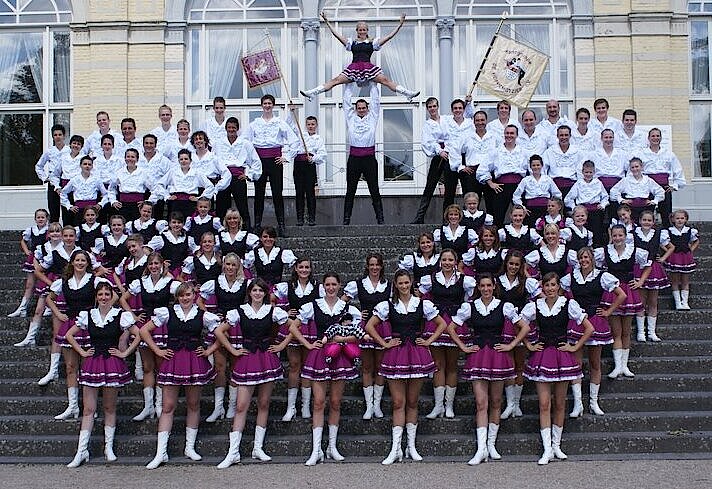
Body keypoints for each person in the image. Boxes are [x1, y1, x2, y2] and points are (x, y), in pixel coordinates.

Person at [364, 269, 447, 465]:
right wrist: (384, 344)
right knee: (398, 402)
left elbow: (442, 324)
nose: (403, 286)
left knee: (412, 401)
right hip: (396, 354)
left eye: (406, 283)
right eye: (400, 283)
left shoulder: (423, 304)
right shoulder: (387, 305)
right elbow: (369, 326)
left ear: (411, 283)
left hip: (417, 354)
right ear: (396, 284)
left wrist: (428, 341)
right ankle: (395, 449)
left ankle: (411, 446)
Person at [448, 273, 530, 464]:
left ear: (494, 286)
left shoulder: (504, 306)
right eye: (482, 286)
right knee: (481, 403)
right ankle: (481, 448)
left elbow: (524, 327)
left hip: (497, 356)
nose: (485, 289)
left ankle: (491, 444)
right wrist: (463, 347)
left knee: (495, 401)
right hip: (478, 357)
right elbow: (451, 327)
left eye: (488, 286)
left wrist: (511, 345)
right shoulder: (470, 306)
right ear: (478, 287)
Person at [141, 282, 222, 470]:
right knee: (168, 406)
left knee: (193, 404)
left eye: (188, 294)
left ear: (194, 295)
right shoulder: (167, 312)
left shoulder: (204, 315)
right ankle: (161, 452)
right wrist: (158, 351)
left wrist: (209, 350)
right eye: (182, 295)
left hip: (194, 362)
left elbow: (221, 334)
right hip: (173, 361)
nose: (185, 298)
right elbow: (144, 331)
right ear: (177, 297)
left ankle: (189, 447)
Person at [215, 278, 291, 468]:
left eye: (261, 290)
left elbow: (294, 326)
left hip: (266, 359)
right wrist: (232, 350)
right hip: (248, 359)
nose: (257, 293)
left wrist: (281, 345)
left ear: (265, 293)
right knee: (241, 405)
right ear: (249, 292)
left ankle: (258, 448)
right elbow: (218, 331)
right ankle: (233, 453)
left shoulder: (273, 311)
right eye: (254, 290)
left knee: (264, 403)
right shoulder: (239, 311)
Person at [289, 272, 362, 465]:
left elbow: (357, 335)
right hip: (320, 355)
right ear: (323, 286)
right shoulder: (313, 306)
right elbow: (293, 327)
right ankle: (316, 449)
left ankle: (332, 446)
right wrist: (307, 344)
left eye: (334, 285)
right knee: (319, 402)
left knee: (336, 402)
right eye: (328, 285)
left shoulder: (348, 309)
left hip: (340, 356)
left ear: (339, 286)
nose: (330, 288)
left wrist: (340, 339)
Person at [521, 272, 593, 465]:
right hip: (543, 356)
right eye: (547, 285)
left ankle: (556, 445)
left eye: (553, 285)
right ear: (542, 288)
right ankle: (546, 450)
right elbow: (518, 325)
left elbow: (589, 328)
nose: (550, 288)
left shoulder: (568, 304)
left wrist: (575, 346)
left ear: (558, 287)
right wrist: (528, 344)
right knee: (544, 404)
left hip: (562, 356)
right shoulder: (535, 305)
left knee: (560, 403)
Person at [65, 283, 140, 467]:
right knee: (88, 409)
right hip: (92, 362)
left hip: (112, 363)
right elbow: (68, 335)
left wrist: (125, 353)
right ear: (96, 296)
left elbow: (139, 334)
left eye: (107, 294)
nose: (104, 297)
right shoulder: (88, 315)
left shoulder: (120, 315)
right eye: (101, 294)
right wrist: (82, 353)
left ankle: (109, 447)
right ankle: (82, 451)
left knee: (109, 407)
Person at [563, 247, 626, 417]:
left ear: (592, 259)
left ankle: (593, 401)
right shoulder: (571, 277)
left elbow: (621, 295)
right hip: (577, 321)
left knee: (595, 363)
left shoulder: (602, 276)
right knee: (576, 364)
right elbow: (561, 294)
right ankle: (578, 404)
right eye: (581, 258)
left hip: (596, 321)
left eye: (587, 258)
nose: (584, 261)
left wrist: (608, 311)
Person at [46, 250, 109, 420]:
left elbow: (113, 297)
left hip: (90, 326)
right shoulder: (63, 282)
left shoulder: (95, 280)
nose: (80, 263)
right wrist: (58, 314)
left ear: (88, 263)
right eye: (77, 260)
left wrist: (99, 313)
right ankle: (73, 406)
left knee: (89, 367)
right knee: (70, 367)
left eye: (83, 260)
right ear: (72, 262)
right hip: (71, 324)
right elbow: (49, 299)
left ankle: (90, 406)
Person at [300, 13, 419, 101]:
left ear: (367, 31)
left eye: (364, 30)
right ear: (357, 31)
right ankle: (313, 93)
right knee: (335, 80)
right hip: (354, 68)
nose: (362, 32)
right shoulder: (352, 43)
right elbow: (337, 36)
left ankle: (407, 93)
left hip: (368, 68)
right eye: (360, 30)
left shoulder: (373, 42)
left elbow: (388, 37)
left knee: (386, 81)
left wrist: (400, 25)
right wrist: (327, 22)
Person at [120, 252, 181, 421]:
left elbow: (186, 294)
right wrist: (132, 316)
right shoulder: (141, 282)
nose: (154, 266)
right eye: (151, 264)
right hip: (145, 325)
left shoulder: (169, 283)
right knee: (147, 366)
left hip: (162, 326)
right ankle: (148, 407)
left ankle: (160, 405)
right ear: (147, 266)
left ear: (162, 265)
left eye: (156, 263)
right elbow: (123, 299)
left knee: (161, 366)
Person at [419, 249, 475, 419]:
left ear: (456, 261)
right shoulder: (431, 279)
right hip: (436, 322)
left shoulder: (465, 280)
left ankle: (449, 405)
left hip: (455, 322)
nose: (447, 262)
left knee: (451, 365)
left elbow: (470, 298)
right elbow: (420, 296)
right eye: (444, 259)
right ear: (440, 261)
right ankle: (438, 406)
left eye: (451, 259)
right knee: (437, 364)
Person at [198, 253, 250, 422]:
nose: (230, 268)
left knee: (235, 366)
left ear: (238, 267)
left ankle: (232, 406)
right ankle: (218, 407)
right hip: (220, 326)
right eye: (227, 264)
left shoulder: (245, 284)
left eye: (233, 265)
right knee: (219, 366)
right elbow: (199, 301)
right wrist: (211, 315)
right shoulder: (215, 283)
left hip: (238, 327)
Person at [272, 257, 322, 421]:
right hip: (293, 326)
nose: (304, 270)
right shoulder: (287, 286)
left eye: (307, 267)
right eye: (301, 267)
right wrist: (283, 311)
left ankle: (305, 406)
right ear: (295, 268)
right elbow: (270, 298)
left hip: (311, 328)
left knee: (307, 366)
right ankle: (291, 406)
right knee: (294, 365)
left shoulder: (317, 287)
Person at [343, 253, 391, 420]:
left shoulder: (389, 285)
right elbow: (342, 303)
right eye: (371, 265)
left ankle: (377, 405)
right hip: (365, 327)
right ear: (367, 266)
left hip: (383, 327)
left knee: (380, 365)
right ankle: (368, 405)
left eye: (377, 264)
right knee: (366, 366)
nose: (374, 268)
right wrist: (354, 314)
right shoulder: (358, 284)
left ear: (381, 266)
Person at [600, 224, 651, 379]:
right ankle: (617, 367)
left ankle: (625, 365)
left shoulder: (635, 251)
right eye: (614, 236)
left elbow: (647, 265)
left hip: (629, 291)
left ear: (625, 235)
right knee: (616, 332)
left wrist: (640, 281)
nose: (617, 238)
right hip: (612, 292)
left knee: (626, 331)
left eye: (620, 235)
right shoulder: (604, 252)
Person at [243, 94, 298, 234]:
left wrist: (286, 157)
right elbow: (244, 143)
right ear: (261, 105)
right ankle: (257, 225)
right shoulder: (254, 124)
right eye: (265, 103)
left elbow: (294, 141)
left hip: (275, 160)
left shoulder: (280, 123)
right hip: (260, 161)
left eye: (269, 103)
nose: (267, 106)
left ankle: (281, 225)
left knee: (277, 193)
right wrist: (251, 161)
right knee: (259, 193)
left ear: (273, 105)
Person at [498, 250, 541, 419]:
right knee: (508, 366)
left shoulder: (527, 282)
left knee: (520, 365)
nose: (513, 267)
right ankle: (509, 404)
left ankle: (516, 403)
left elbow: (541, 298)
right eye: (511, 263)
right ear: (506, 264)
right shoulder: (497, 282)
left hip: (521, 324)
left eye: (517, 264)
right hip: (503, 326)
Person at [342, 81, 384, 225]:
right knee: (350, 190)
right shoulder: (351, 118)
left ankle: (380, 219)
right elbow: (346, 101)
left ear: (367, 108)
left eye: (363, 108)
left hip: (369, 158)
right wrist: (349, 84)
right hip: (354, 158)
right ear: (355, 109)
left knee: (374, 189)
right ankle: (346, 220)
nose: (361, 110)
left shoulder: (373, 117)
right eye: (358, 108)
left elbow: (376, 101)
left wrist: (372, 82)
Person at [633, 210, 674, 342]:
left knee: (653, 301)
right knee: (641, 301)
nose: (646, 222)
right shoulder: (633, 234)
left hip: (654, 268)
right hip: (639, 268)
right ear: (639, 221)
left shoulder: (658, 234)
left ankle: (651, 331)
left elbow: (671, 247)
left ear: (653, 222)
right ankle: (641, 332)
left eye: (649, 220)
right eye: (644, 220)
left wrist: (662, 258)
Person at [477, 125, 528, 227]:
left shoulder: (524, 152)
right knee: (497, 217)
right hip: (501, 187)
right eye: (507, 133)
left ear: (517, 135)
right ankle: (496, 241)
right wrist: (490, 183)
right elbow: (482, 169)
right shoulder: (495, 152)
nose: (509, 135)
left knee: (523, 215)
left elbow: (532, 169)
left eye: (512, 133)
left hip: (519, 186)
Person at [214, 117, 262, 225]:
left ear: (237, 129)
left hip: (238, 177)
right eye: (229, 127)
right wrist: (216, 176)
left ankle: (247, 231)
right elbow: (213, 161)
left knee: (242, 207)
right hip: (223, 178)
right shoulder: (218, 143)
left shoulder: (245, 143)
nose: (231, 130)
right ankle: (221, 233)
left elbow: (256, 161)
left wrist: (249, 175)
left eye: (233, 128)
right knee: (221, 207)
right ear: (225, 128)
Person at [410, 97, 450, 224]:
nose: (432, 109)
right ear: (427, 109)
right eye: (430, 107)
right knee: (430, 186)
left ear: (438, 107)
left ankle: (447, 219)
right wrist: (439, 151)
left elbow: (454, 134)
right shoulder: (427, 125)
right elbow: (428, 142)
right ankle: (419, 217)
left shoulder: (447, 120)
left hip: (450, 155)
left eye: (434, 106)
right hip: (438, 157)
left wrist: (448, 149)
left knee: (449, 188)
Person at [286, 106, 327, 226]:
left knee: (310, 193)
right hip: (299, 165)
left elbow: (323, 154)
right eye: (308, 124)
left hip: (309, 166)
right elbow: (290, 126)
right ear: (306, 125)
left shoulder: (318, 139)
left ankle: (311, 218)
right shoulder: (300, 135)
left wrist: (313, 158)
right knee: (299, 192)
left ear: (316, 125)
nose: (310, 126)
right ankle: (299, 218)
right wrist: (291, 112)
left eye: (313, 124)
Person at [638, 128, 686, 227]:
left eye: (657, 136)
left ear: (661, 138)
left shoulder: (669, 154)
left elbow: (678, 170)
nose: (655, 138)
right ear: (648, 138)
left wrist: (674, 186)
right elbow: (635, 170)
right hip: (648, 188)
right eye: (653, 136)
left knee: (666, 215)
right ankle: (646, 238)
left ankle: (666, 238)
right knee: (647, 214)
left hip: (664, 187)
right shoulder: (641, 154)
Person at [9, 208, 49, 320]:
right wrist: (27, 251)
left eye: (43, 217)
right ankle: (22, 308)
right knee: (29, 285)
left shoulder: (49, 230)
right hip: (33, 258)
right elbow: (23, 240)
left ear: (47, 219)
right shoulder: (31, 230)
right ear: (35, 219)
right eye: (38, 217)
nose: (40, 219)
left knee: (44, 284)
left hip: (45, 259)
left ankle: (47, 306)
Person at [156, 149, 216, 219]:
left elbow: (210, 186)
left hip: (191, 203)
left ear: (190, 160)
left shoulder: (196, 173)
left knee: (189, 224)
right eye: (181, 159)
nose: (183, 161)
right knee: (176, 223)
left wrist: (199, 199)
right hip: (175, 203)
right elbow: (160, 184)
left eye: (186, 159)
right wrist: (167, 196)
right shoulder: (173, 172)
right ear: (178, 161)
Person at [108, 148, 160, 224]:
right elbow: (111, 189)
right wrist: (113, 201)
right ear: (125, 158)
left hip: (138, 206)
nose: (130, 159)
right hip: (123, 206)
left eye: (133, 157)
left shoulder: (143, 173)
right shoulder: (119, 172)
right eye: (128, 156)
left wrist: (148, 202)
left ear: (137, 159)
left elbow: (155, 188)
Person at [565, 161, 609, 246]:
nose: (588, 174)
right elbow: (568, 198)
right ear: (582, 172)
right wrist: (575, 208)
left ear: (594, 172)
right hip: (582, 211)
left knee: (596, 231)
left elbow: (605, 197)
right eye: (586, 172)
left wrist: (603, 204)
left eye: (590, 172)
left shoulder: (598, 183)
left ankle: (596, 248)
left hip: (595, 211)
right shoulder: (578, 183)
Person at [610, 157, 665, 222]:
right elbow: (613, 191)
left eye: (637, 166)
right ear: (630, 169)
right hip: (630, 208)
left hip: (645, 207)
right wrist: (621, 200)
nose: (635, 169)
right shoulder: (626, 180)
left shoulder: (648, 180)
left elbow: (660, 191)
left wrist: (654, 201)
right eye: (632, 167)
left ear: (641, 167)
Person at [513, 154, 562, 226]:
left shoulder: (548, 179)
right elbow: (516, 196)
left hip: (546, 210)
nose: (536, 167)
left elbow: (557, 194)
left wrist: (554, 207)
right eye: (533, 165)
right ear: (530, 167)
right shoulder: (526, 180)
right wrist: (522, 208)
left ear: (542, 166)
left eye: (538, 165)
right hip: (530, 210)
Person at [60, 155, 108, 227]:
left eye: (89, 164)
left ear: (92, 166)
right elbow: (63, 193)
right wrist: (69, 206)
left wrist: (100, 204)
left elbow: (106, 194)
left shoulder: (96, 179)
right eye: (85, 164)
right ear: (80, 165)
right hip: (79, 211)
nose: (87, 166)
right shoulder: (74, 179)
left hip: (93, 210)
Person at [146, 212, 199, 277]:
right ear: (169, 224)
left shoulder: (188, 239)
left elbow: (198, 252)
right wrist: (159, 262)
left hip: (182, 274)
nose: (176, 225)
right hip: (166, 273)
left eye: (179, 222)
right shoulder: (162, 238)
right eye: (174, 222)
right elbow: (147, 249)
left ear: (183, 224)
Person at [665, 209, 699, 310]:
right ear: (673, 220)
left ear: (686, 219)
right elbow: (664, 243)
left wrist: (690, 250)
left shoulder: (690, 231)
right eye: (677, 218)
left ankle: (685, 302)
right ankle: (678, 302)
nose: (680, 220)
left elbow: (696, 241)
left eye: (682, 218)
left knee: (685, 279)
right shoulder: (669, 231)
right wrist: (669, 251)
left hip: (685, 257)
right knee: (674, 280)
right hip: (674, 257)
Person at [35, 124, 69, 222]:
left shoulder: (69, 150)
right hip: (53, 184)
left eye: (60, 134)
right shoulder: (49, 151)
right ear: (53, 137)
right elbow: (39, 166)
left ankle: (68, 235)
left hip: (66, 183)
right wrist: (45, 178)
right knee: (54, 212)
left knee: (67, 211)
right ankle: (54, 235)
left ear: (64, 136)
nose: (58, 137)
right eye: (55, 135)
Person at [542, 125, 584, 199]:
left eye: (566, 135)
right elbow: (543, 170)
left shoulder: (578, 152)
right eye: (561, 135)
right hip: (554, 187)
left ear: (570, 136)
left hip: (572, 187)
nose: (564, 137)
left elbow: (581, 171)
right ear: (557, 136)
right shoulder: (549, 152)